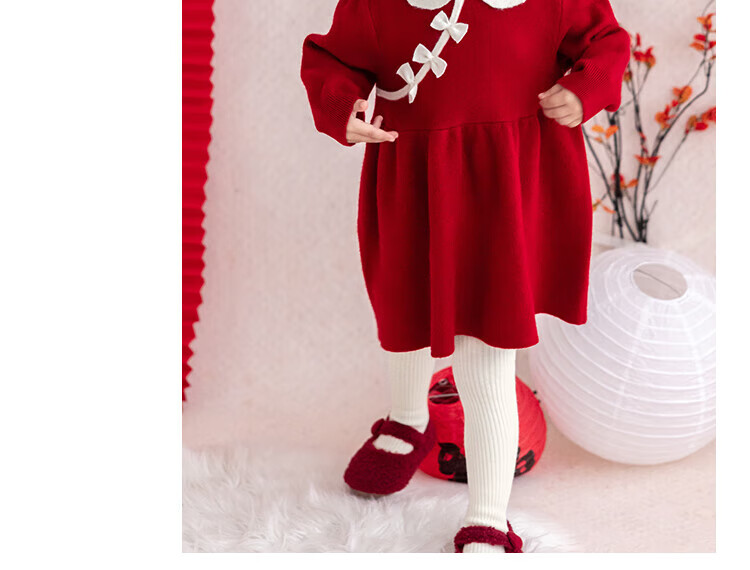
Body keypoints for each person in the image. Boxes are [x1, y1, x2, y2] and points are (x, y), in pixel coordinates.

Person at [300, 0, 630, 553]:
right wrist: (342, 105)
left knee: (487, 352)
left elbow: (606, 39)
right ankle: (408, 419)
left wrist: (585, 87)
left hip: (506, 191)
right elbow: (333, 57)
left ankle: (488, 517)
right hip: (416, 182)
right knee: (406, 310)